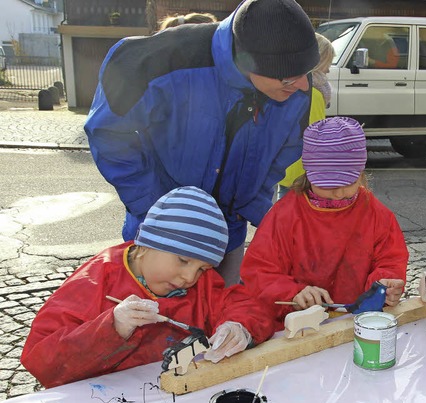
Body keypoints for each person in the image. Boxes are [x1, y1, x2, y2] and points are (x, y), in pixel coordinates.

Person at [84, 0, 320, 286]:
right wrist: (158, 213)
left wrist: (254, 207)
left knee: (223, 318)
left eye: (306, 73)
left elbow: (284, 153)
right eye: (289, 78)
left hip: (228, 236)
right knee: (152, 324)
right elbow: (109, 134)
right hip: (162, 242)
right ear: (248, 62)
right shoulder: (159, 61)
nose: (304, 87)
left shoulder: (294, 83)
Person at [20, 187, 275, 388]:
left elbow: (247, 306)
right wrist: (111, 327)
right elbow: (41, 361)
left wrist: (240, 326)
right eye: (183, 260)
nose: (189, 277)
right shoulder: (94, 282)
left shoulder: (203, 285)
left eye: (202, 269)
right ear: (146, 244)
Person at [241, 117, 409, 329]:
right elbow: (258, 271)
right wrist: (293, 292)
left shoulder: (377, 215)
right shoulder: (285, 215)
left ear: (361, 173)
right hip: (298, 328)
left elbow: (390, 259)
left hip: (354, 323)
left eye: (349, 183)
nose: (339, 193)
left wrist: (384, 284)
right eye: (328, 185)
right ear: (310, 176)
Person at [277, 33, 335, 199]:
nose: (329, 69)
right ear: (318, 60)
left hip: (285, 165)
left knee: (285, 212)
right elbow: (316, 135)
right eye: (328, 62)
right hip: (303, 170)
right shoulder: (314, 92)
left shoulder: (289, 85)